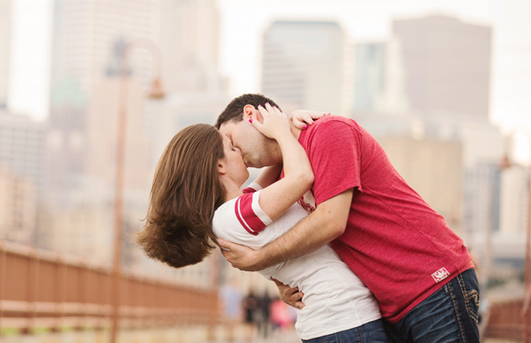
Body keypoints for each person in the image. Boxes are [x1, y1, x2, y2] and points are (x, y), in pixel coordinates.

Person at [215, 93, 479, 343]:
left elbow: (331, 221)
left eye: (230, 140)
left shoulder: (328, 132)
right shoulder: (287, 173)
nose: (232, 151)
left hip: (432, 282)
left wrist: (260, 259)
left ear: (251, 115)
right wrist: (281, 283)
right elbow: (266, 229)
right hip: (387, 305)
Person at [136, 104, 389, 342]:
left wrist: (289, 124)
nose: (240, 152)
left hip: (334, 320)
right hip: (344, 317)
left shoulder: (238, 209)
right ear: (220, 165)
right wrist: (282, 131)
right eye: (232, 148)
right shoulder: (235, 215)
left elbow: (277, 163)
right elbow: (301, 176)